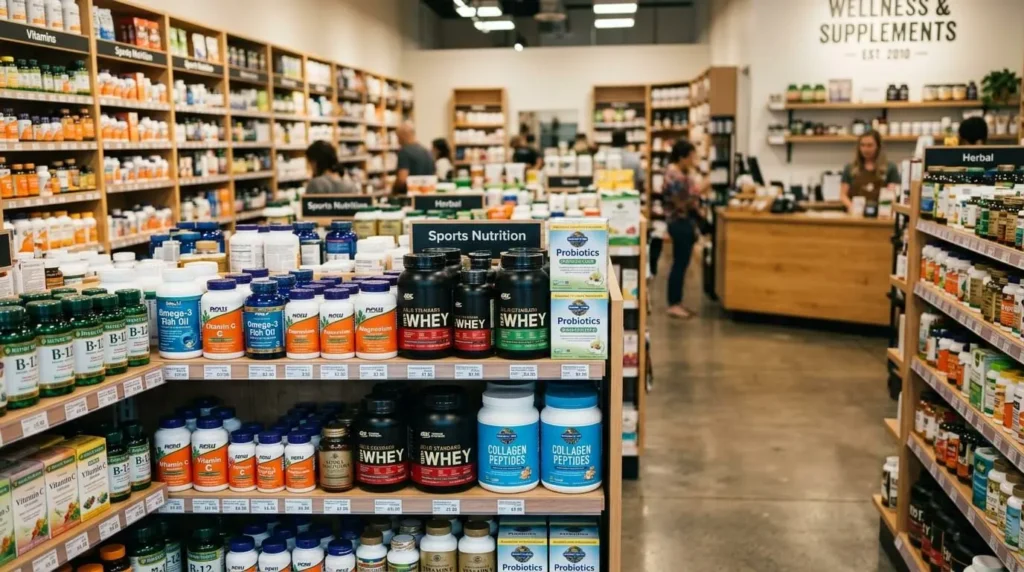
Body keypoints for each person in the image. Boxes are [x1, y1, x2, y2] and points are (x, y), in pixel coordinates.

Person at [662, 139, 702, 320]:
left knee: (682, 262)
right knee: (680, 263)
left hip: (680, 222)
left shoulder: (679, 173)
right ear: (682, 157)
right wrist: (701, 189)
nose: (694, 159)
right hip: (679, 222)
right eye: (692, 156)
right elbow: (682, 202)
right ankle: (673, 304)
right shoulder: (675, 175)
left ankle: (677, 302)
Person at [839, 130, 900, 212]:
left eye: (870, 145)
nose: (865, 149)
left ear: (878, 147)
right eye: (862, 145)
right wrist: (851, 207)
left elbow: (895, 195)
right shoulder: (850, 168)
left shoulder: (890, 168)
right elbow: (843, 195)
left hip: (881, 215)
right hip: (855, 214)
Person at [393, 122, 435, 194]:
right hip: (427, 195)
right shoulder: (426, 151)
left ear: (403, 136)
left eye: (398, 137)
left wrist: (393, 192)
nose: (398, 141)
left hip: (410, 197)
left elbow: (402, 179)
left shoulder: (404, 152)